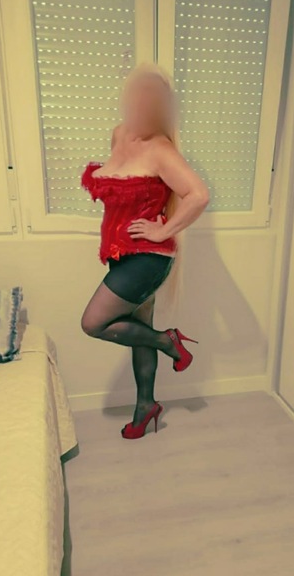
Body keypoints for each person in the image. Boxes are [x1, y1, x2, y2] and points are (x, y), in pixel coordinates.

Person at [80, 63, 209, 439]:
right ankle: (145, 406)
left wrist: (164, 230)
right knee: (139, 330)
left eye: (150, 98)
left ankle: (168, 342)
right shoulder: (119, 134)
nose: (140, 103)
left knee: (93, 323)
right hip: (121, 253)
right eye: (136, 94)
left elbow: (198, 195)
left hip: (148, 259)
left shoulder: (160, 149)